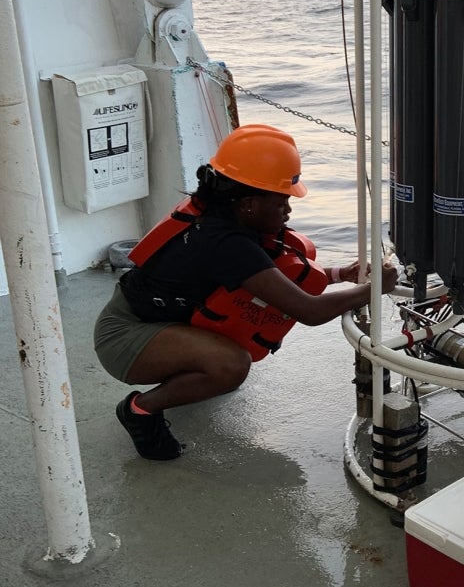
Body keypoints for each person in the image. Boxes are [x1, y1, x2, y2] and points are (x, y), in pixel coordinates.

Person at [95, 124, 398, 460]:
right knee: (231, 365)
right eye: (282, 200)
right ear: (250, 203)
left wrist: (342, 274)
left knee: (225, 364)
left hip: (155, 319)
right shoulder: (226, 244)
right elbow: (309, 311)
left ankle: (190, 373)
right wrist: (376, 289)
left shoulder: (226, 216)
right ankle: (140, 409)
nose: (289, 210)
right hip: (125, 338)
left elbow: (277, 278)